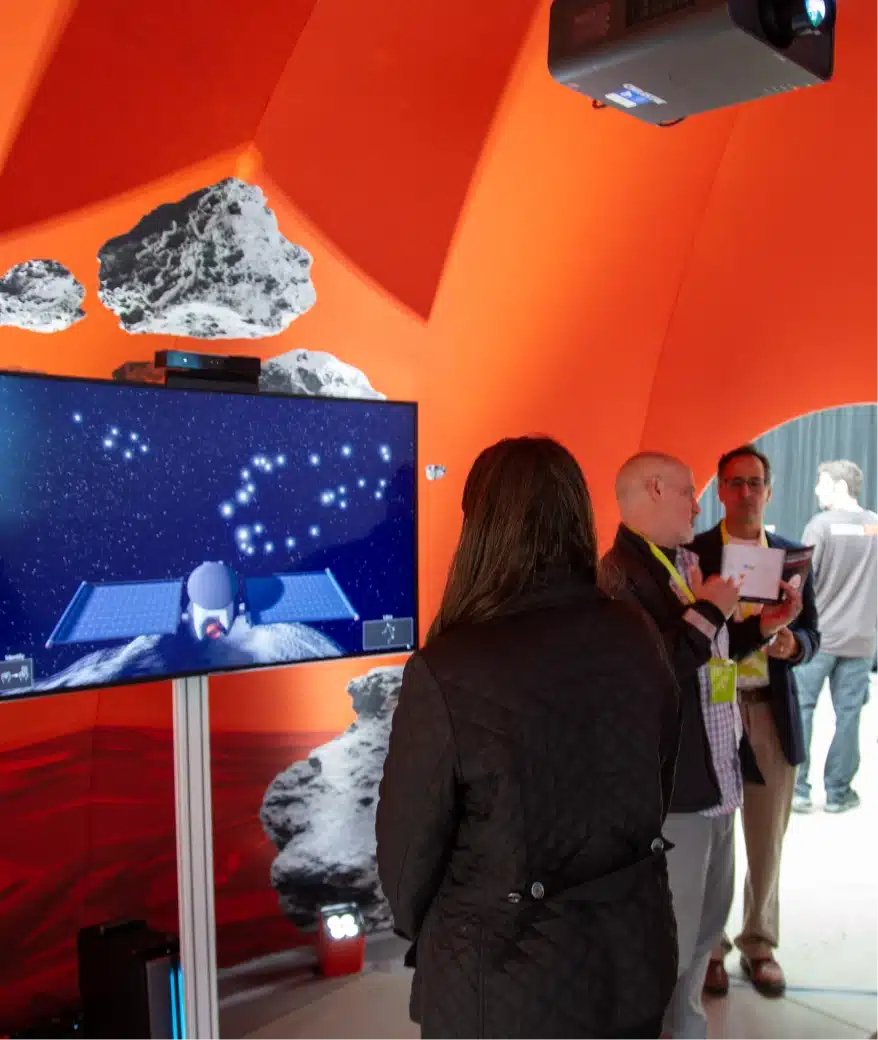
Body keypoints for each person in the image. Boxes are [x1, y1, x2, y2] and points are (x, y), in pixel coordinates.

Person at [376, 437, 682, 1040]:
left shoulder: (448, 668)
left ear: (479, 527)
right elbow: (657, 781)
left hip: (502, 984)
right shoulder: (635, 632)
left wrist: (446, 932)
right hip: (634, 957)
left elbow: (407, 863)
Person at [600, 452, 802, 1040]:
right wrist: (713, 605)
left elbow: (708, 654)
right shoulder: (618, 578)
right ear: (655, 489)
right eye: (691, 492)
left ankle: (686, 1025)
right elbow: (656, 669)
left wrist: (761, 627)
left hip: (714, 778)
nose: (701, 502)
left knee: (704, 929)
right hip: (676, 791)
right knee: (676, 937)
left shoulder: (683, 561)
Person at [691, 445, 819, 1001]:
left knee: (766, 836)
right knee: (713, 836)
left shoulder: (792, 555)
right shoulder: (694, 552)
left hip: (769, 702)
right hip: (715, 700)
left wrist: (793, 643)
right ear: (719, 491)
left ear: (769, 490)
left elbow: (815, 633)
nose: (746, 492)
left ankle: (759, 944)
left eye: (756, 483)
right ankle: (711, 948)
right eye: (736, 482)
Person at [794, 460, 878, 815]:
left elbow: (799, 582)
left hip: (820, 639)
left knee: (802, 709)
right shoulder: (875, 527)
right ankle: (838, 793)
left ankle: (798, 789)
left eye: (822, 483)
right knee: (849, 717)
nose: (816, 490)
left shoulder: (820, 527)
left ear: (841, 487)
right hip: (861, 640)